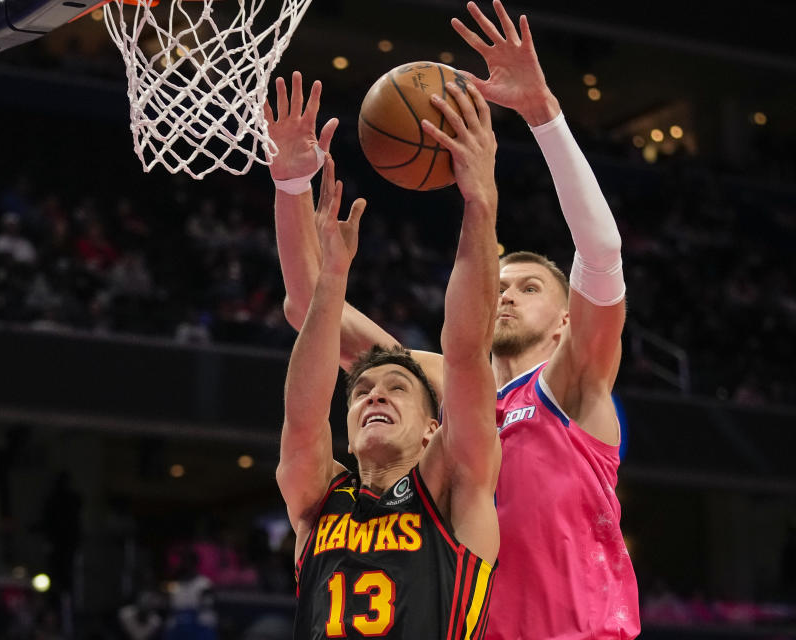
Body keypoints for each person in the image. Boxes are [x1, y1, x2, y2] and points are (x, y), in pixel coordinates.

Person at [265, 1, 639, 637]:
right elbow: (310, 308)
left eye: (529, 287)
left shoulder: (575, 382)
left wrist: (542, 114)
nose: (509, 295)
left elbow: (601, 252)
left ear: (563, 321)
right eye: (501, 283)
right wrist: (293, 188)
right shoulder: (439, 384)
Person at [275, 74, 501, 638]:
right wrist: (292, 191)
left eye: (398, 387)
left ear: (433, 429)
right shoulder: (318, 501)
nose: (374, 392)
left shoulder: (453, 488)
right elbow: (303, 419)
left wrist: (481, 201)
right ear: (347, 435)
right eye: (362, 392)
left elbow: (468, 353)